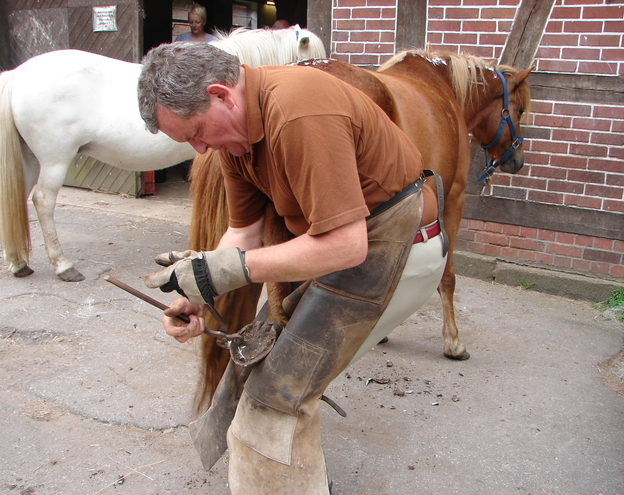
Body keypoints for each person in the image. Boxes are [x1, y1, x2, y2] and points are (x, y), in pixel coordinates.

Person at [137, 43, 447, 494]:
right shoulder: (236, 139)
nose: (199, 149)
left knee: (276, 398)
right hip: (336, 251)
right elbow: (242, 236)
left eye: (196, 133)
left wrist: (232, 270)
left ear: (222, 95)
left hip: (397, 249)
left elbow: (346, 245)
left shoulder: (299, 111)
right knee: (252, 359)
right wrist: (198, 293)